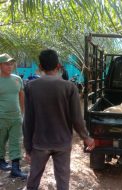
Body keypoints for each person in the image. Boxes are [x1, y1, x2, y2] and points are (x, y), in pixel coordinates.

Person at [22, 49, 95, 190]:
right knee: (62, 181)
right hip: (62, 143)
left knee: (33, 179)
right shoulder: (70, 87)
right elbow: (77, 119)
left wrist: (28, 147)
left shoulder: (31, 87)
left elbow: (28, 120)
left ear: (40, 67)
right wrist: (86, 137)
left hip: (40, 144)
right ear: (58, 66)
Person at [0, 53, 28, 179]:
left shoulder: (17, 79)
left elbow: (21, 96)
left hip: (16, 117)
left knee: (16, 142)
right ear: (0, 65)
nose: (9, 66)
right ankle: (1, 162)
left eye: (11, 63)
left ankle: (15, 169)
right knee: (1, 141)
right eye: (6, 63)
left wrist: (22, 113)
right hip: (1, 117)